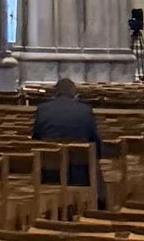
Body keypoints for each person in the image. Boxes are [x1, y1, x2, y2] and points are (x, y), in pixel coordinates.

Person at [32, 76, 106, 213]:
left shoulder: (42, 109)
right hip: (79, 170)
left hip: (49, 171)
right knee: (93, 161)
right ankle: (98, 207)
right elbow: (94, 139)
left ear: (55, 93)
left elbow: (35, 139)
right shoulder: (84, 110)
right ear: (74, 94)